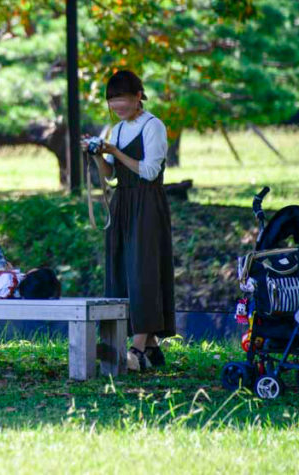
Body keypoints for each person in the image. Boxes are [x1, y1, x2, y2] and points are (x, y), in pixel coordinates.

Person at [82, 69, 175, 372]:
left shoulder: (153, 126)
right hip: (123, 204)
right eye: (112, 100)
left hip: (148, 205)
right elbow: (110, 177)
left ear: (138, 96)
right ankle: (150, 348)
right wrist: (98, 154)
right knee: (122, 269)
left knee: (143, 271)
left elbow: (149, 171)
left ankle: (136, 349)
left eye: (122, 97)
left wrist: (115, 152)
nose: (117, 105)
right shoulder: (117, 129)